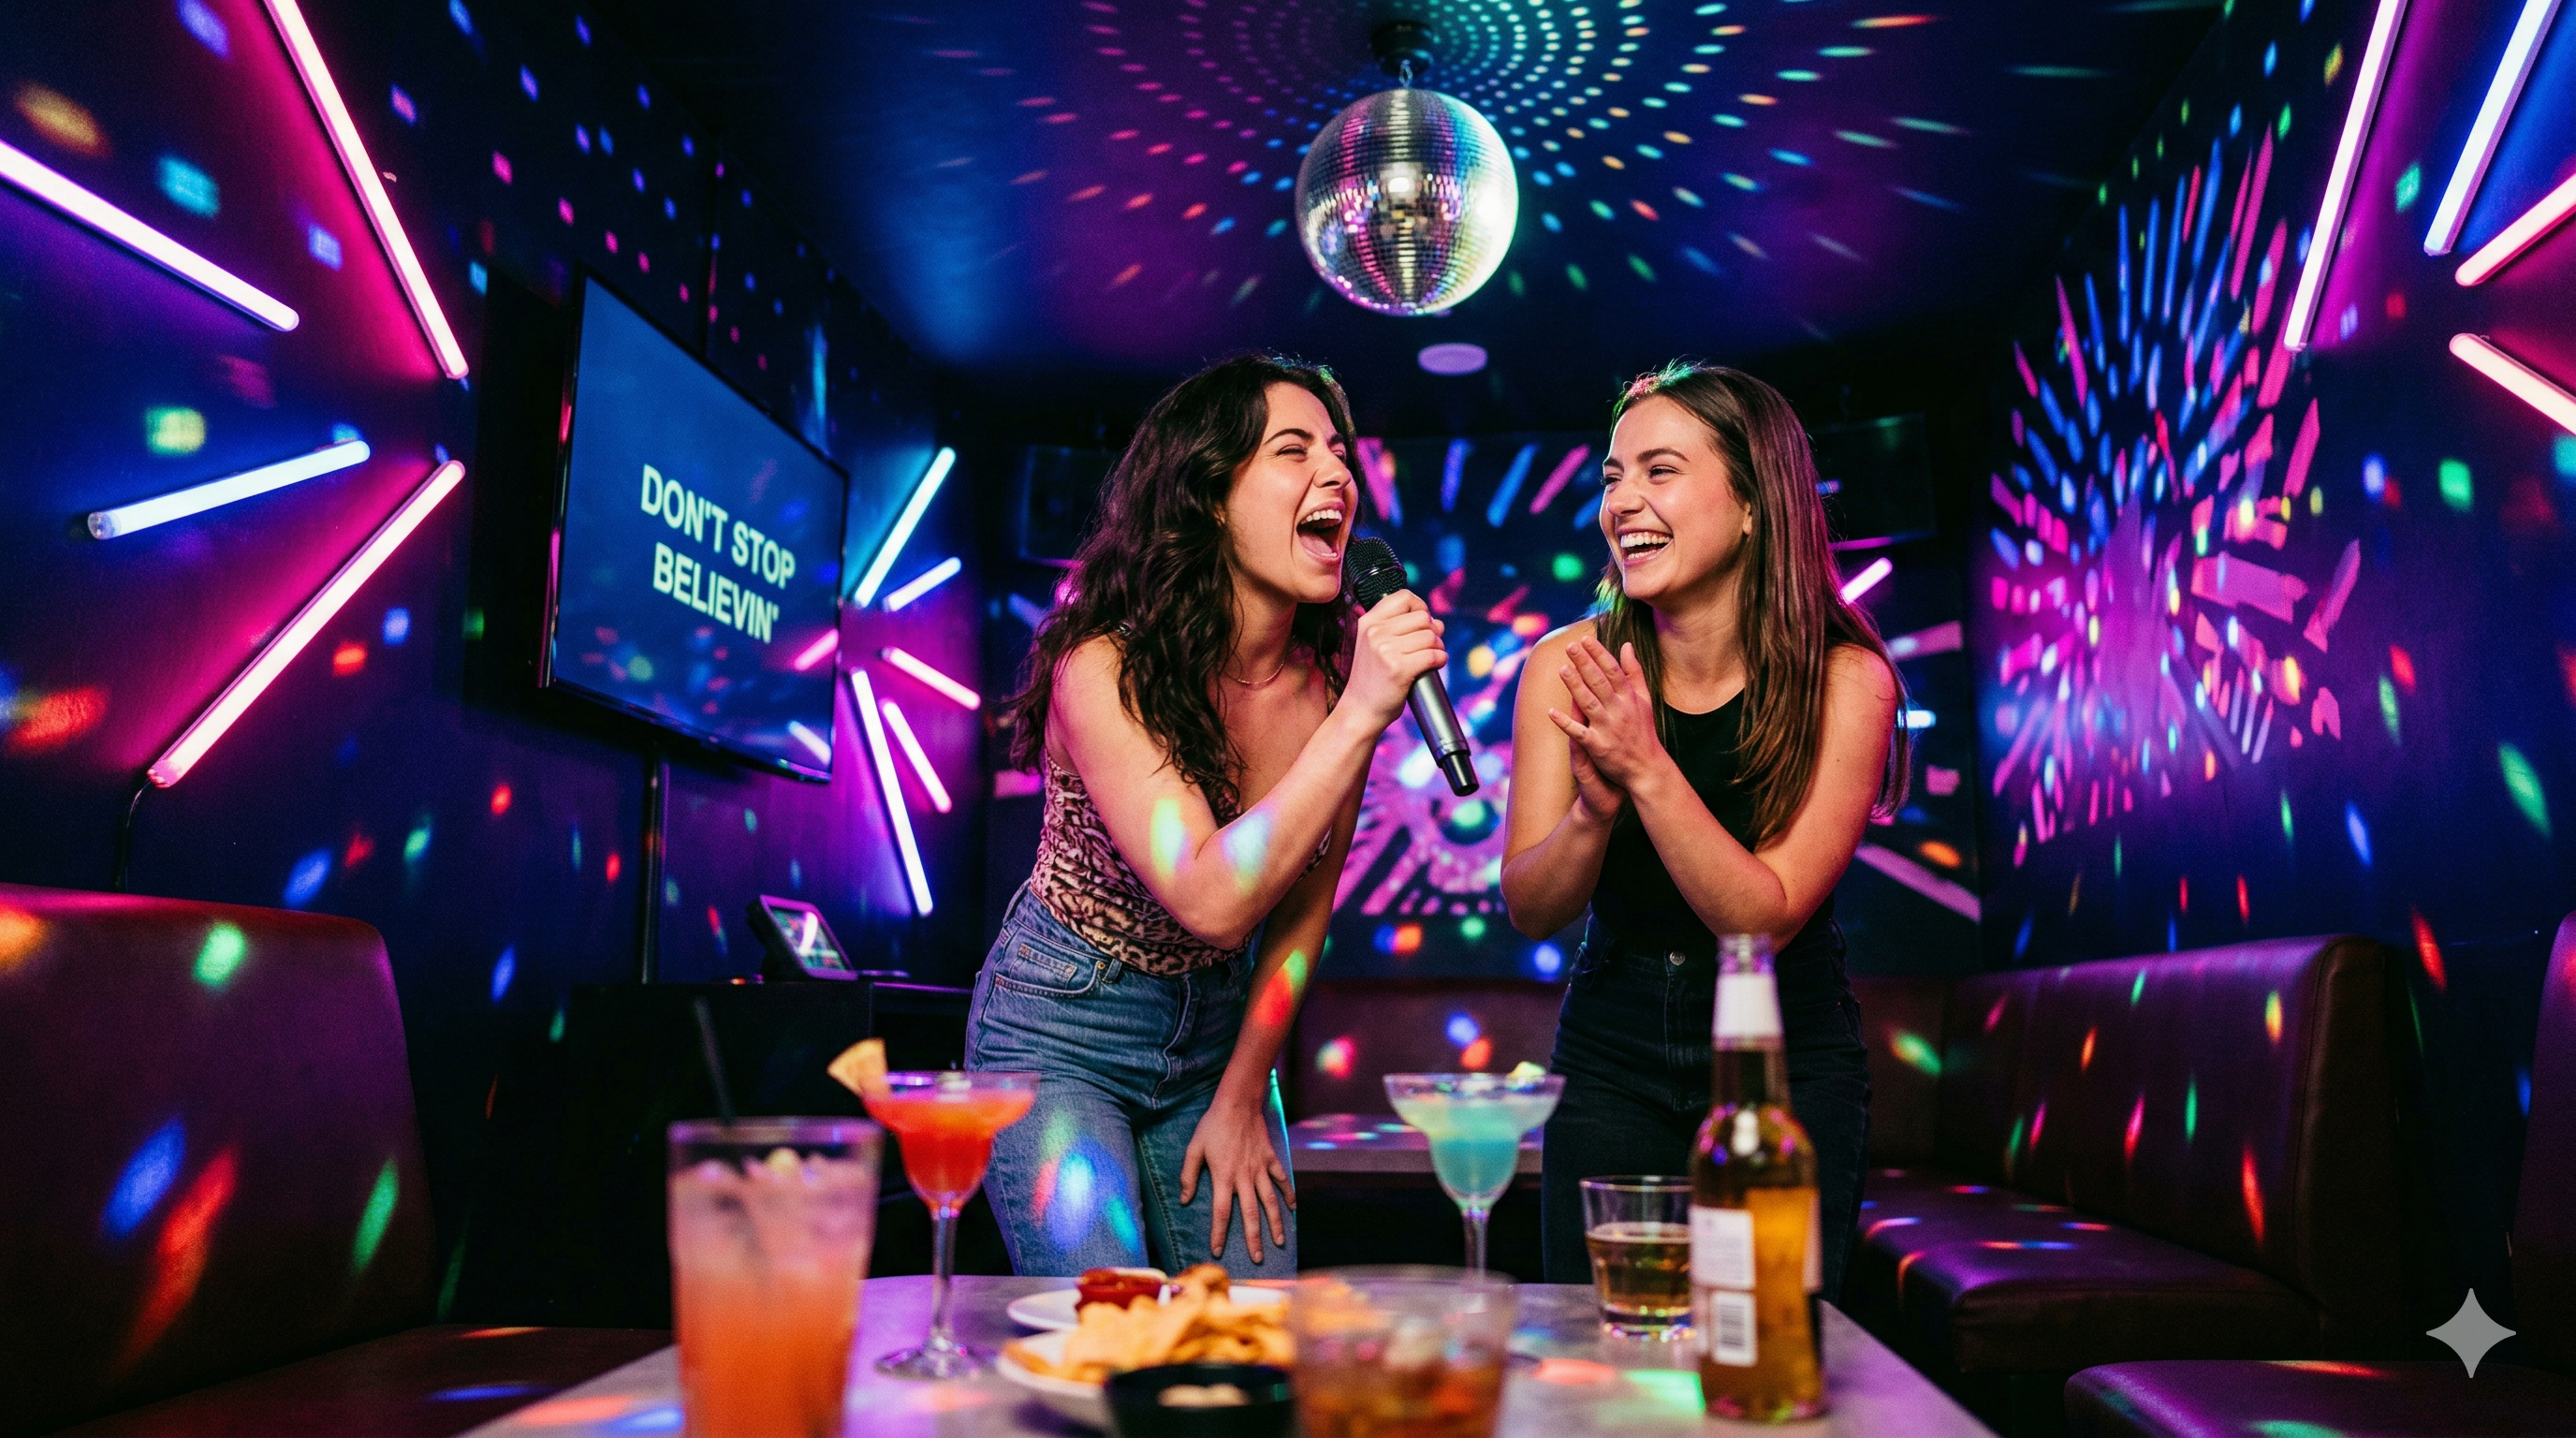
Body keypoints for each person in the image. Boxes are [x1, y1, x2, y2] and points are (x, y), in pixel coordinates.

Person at [967, 353, 1446, 1278]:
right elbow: (1212, 897)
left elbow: (1301, 918)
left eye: (1340, 455)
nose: (1337, 476)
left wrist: (1239, 1094)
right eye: (1292, 451)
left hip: (1219, 1043)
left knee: (1250, 1335)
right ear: (1210, 497)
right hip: (1062, 1026)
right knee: (1112, 1325)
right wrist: (1359, 716)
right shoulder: (1102, 668)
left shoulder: (1325, 695)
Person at [1501, 363, 1907, 1299]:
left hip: (1781, 1054)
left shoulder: (1846, 680)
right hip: (1611, 1048)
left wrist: (1644, 767)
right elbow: (1528, 903)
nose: (1623, 501)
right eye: (1611, 476)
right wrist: (1591, 813)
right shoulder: (1562, 664)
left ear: (1756, 503)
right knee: (1605, 1358)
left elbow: (1759, 923)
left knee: (1764, 1342)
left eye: (1659, 470)